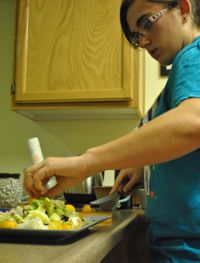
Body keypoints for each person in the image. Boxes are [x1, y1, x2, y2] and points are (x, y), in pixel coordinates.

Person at [24, 0, 200, 261]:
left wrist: (85, 163)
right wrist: (142, 162)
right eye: (136, 35)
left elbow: (192, 123)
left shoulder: (192, 56)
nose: (142, 42)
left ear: (183, 9)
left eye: (146, 23)